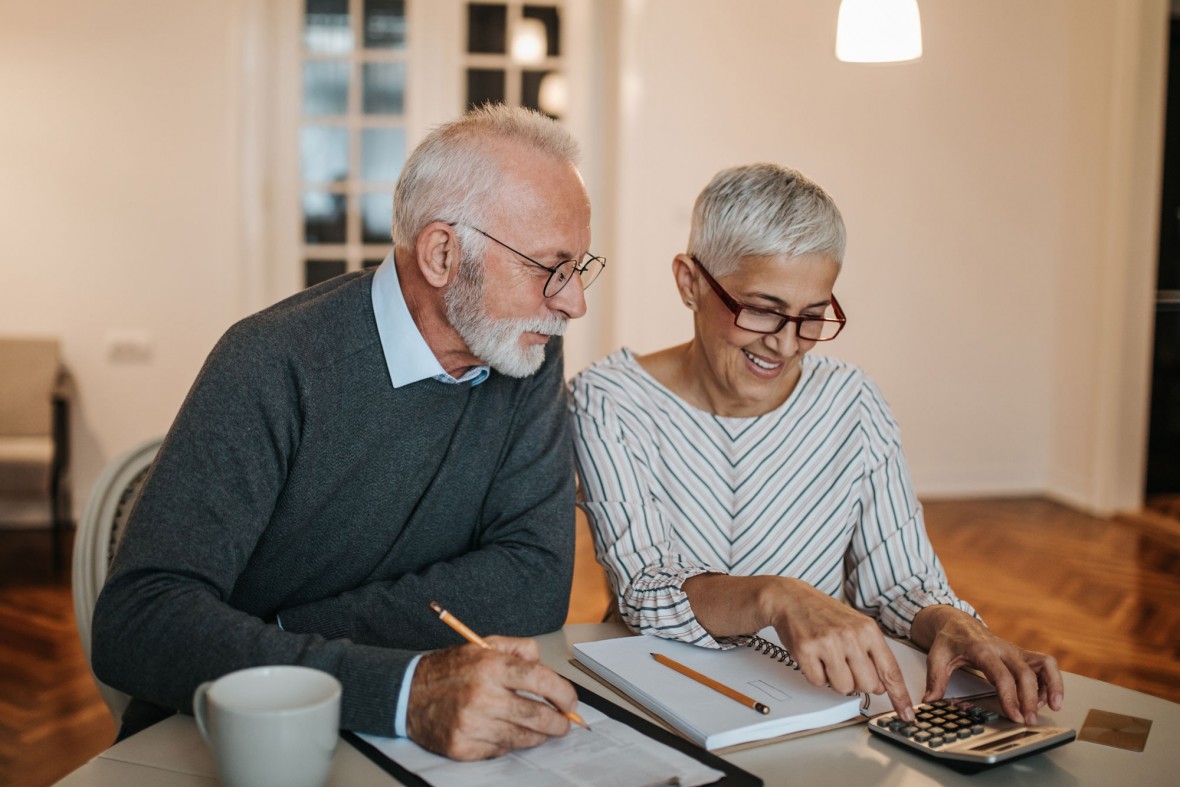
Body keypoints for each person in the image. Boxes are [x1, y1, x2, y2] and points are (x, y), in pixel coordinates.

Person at [92, 104, 606, 761]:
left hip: (406, 735)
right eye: (550, 268)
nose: (573, 303)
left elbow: (532, 582)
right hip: (234, 742)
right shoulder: (272, 362)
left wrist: (281, 635)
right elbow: (139, 620)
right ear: (443, 252)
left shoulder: (524, 352)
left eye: (580, 267)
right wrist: (400, 686)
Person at [570, 163, 1062, 727]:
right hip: (661, 697)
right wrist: (777, 597)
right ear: (690, 282)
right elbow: (645, 590)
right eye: (761, 309)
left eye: (811, 317)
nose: (785, 345)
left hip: (820, 702)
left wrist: (955, 623)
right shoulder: (610, 400)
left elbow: (900, 583)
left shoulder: (852, 402)